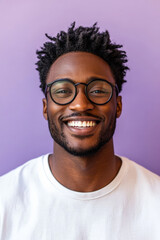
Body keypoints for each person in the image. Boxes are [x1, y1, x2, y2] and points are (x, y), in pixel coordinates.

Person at [0, 22, 160, 240]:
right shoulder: (5, 201)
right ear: (46, 108)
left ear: (118, 106)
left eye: (97, 90)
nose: (81, 104)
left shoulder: (155, 202)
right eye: (63, 91)